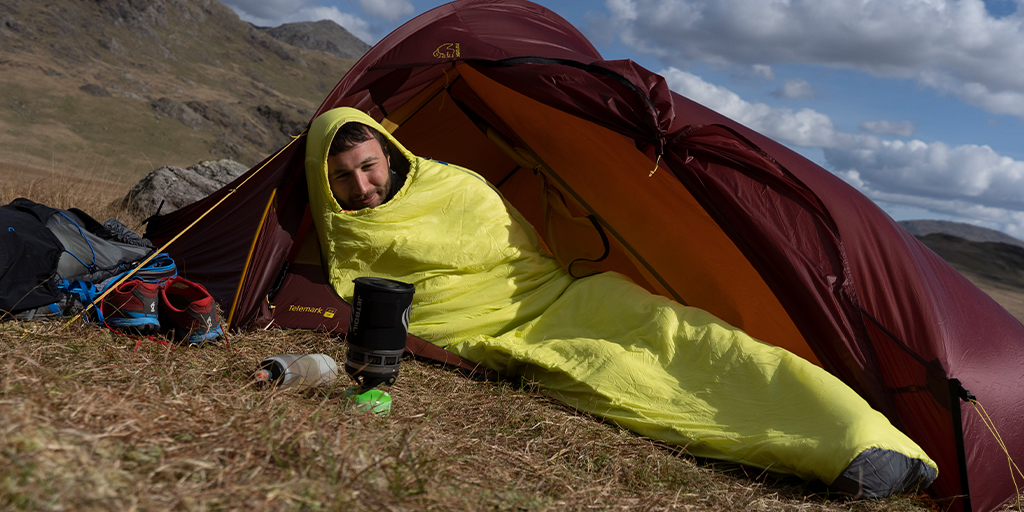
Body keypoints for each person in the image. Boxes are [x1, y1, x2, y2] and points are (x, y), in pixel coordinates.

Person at [304, 107, 938, 497]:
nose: (362, 187)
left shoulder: (456, 186)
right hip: (507, 330)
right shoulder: (346, 234)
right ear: (323, 183)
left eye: (369, 166)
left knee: (687, 335)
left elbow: (515, 254)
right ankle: (844, 455)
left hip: (564, 295)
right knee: (621, 374)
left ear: (388, 153)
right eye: (343, 178)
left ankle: (871, 437)